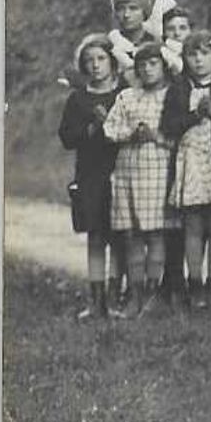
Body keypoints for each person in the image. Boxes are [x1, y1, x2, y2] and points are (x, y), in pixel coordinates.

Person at [104, 41, 178, 315]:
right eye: (142, 65)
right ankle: (134, 295)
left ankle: (150, 295)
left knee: (155, 233)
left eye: (153, 64)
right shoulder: (127, 97)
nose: (147, 70)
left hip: (157, 169)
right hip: (126, 170)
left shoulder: (171, 97)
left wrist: (156, 136)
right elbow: (110, 128)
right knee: (131, 234)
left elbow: (179, 135)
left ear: (163, 66)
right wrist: (130, 134)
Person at [59, 34, 124, 319]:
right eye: (89, 61)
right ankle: (96, 300)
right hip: (90, 173)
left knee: (120, 235)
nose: (96, 65)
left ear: (112, 61)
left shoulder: (124, 93)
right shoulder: (78, 99)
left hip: (122, 170)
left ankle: (115, 298)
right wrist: (90, 127)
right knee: (95, 235)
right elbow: (67, 138)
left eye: (101, 59)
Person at [160, 31, 211, 306]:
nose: (198, 60)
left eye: (204, 53)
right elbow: (169, 126)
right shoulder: (178, 88)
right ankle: (195, 283)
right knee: (194, 224)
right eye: (192, 54)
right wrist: (194, 115)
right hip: (190, 160)